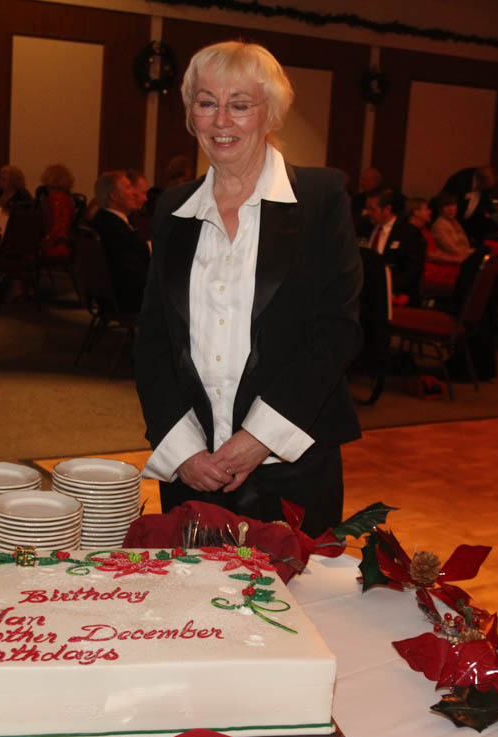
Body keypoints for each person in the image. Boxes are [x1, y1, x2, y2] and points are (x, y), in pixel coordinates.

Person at [134, 41, 363, 537]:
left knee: (293, 609)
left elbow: (336, 331)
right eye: (206, 102)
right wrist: (183, 449)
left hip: (293, 464)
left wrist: (260, 437)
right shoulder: (173, 208)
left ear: (270, 113)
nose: (221, 121)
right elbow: (153, 340)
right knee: (190, 610)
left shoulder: (321, 198)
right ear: (191, 115)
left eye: (239, 105)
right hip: (192, 469)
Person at [90, 170, 149, 313]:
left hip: (110, 296)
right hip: (127, 299)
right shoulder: (115, 229)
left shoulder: (102, 220)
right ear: (114, 196)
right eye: (128, 188)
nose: (134, 193)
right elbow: (133, 271)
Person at [364, 187, 426, 306]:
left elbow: (412, 271)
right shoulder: (365, 227)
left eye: (372, 209)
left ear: (387, 209)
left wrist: (384, 287)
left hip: (397, 295)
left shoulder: (409, 233)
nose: (368, 213)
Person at [431, 191, 472, 263]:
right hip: (451, 261)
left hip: (464, 257)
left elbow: (465, 244)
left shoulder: (454, 221)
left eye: (453, 204)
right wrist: (471, 254)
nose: (451, 209)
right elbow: (452, 249)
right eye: (447, 206)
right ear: (439, 209)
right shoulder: (439, 225)